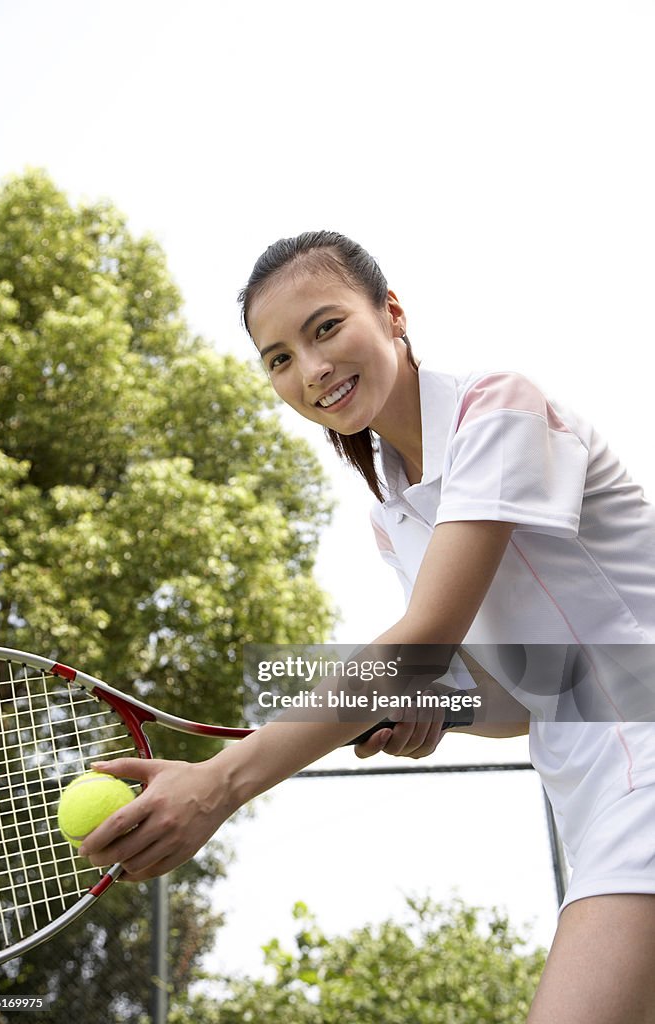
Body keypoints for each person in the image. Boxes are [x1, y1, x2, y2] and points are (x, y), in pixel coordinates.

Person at [81, 231, 655, 1023]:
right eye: (278, 357)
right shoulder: (393, 516)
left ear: (391, 314)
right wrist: (437, 709)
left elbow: (420, 641)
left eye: (324, 328)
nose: (310, 370)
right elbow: (532, 698)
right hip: (592, 794)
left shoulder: (498, 408)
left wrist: (218, 783)